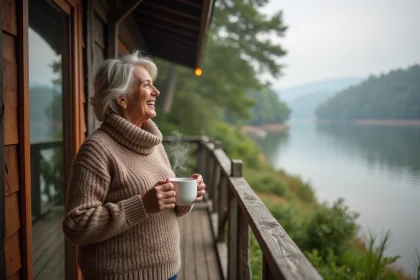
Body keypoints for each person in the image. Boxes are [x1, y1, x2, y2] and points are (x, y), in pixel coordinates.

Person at [62, 50, 206, 280]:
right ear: (121, 97)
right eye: (147, 85)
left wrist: (183, 198)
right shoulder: (97, 149)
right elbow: (76, 225)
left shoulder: (151, 143)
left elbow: (162, 207)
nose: (156, 91)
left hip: (169, 271)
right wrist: (142, 205)